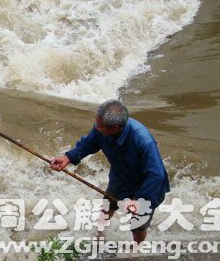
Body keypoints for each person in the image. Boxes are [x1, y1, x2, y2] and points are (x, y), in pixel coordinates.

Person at [50, 99, 170, 243]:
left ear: (115, 127)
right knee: (108, 204)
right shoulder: (101, 128)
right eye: (97, 124)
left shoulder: (143, 140)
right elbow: (89, 143)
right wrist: (68, 157)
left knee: (138, 224)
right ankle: (99, 234)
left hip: (148, 185)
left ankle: (136, 250)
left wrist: (139, 201)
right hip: (121, 176)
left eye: (100, 127)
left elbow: (156, 175)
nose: (97, 128)